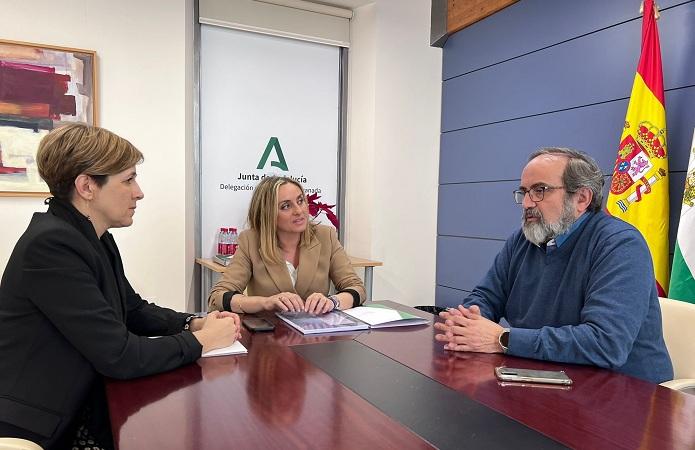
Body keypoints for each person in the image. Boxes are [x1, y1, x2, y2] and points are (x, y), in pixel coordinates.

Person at [0, 124, 240, 449]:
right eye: (128, 180)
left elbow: (133, 309)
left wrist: (191, 321)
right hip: (42, 423)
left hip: (85, 402)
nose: (138, 192)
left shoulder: (92, 237)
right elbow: (120, 356)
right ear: (87, 186)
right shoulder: (52, 245)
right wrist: (201, 340)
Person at [434, 147, 673, 384]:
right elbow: (485, 297)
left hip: (626, 395)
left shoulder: (620, 245)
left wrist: (503, 338)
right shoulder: (523, 240)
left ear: (581, 198)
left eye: (540, 190)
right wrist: (467, 323)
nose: (527, 203)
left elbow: (605, 343)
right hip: (545, 380)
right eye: (524, 192)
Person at [208, 176, 365, 314]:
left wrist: (333, 301)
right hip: (270, 338)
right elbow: (218, 296)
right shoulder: (251, 241)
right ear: (268, 214)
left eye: (300, 201)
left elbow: (356, 288)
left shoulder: (326, 236)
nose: (299, 211)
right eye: (286, 206)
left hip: (317, 336)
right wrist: (266, 303)